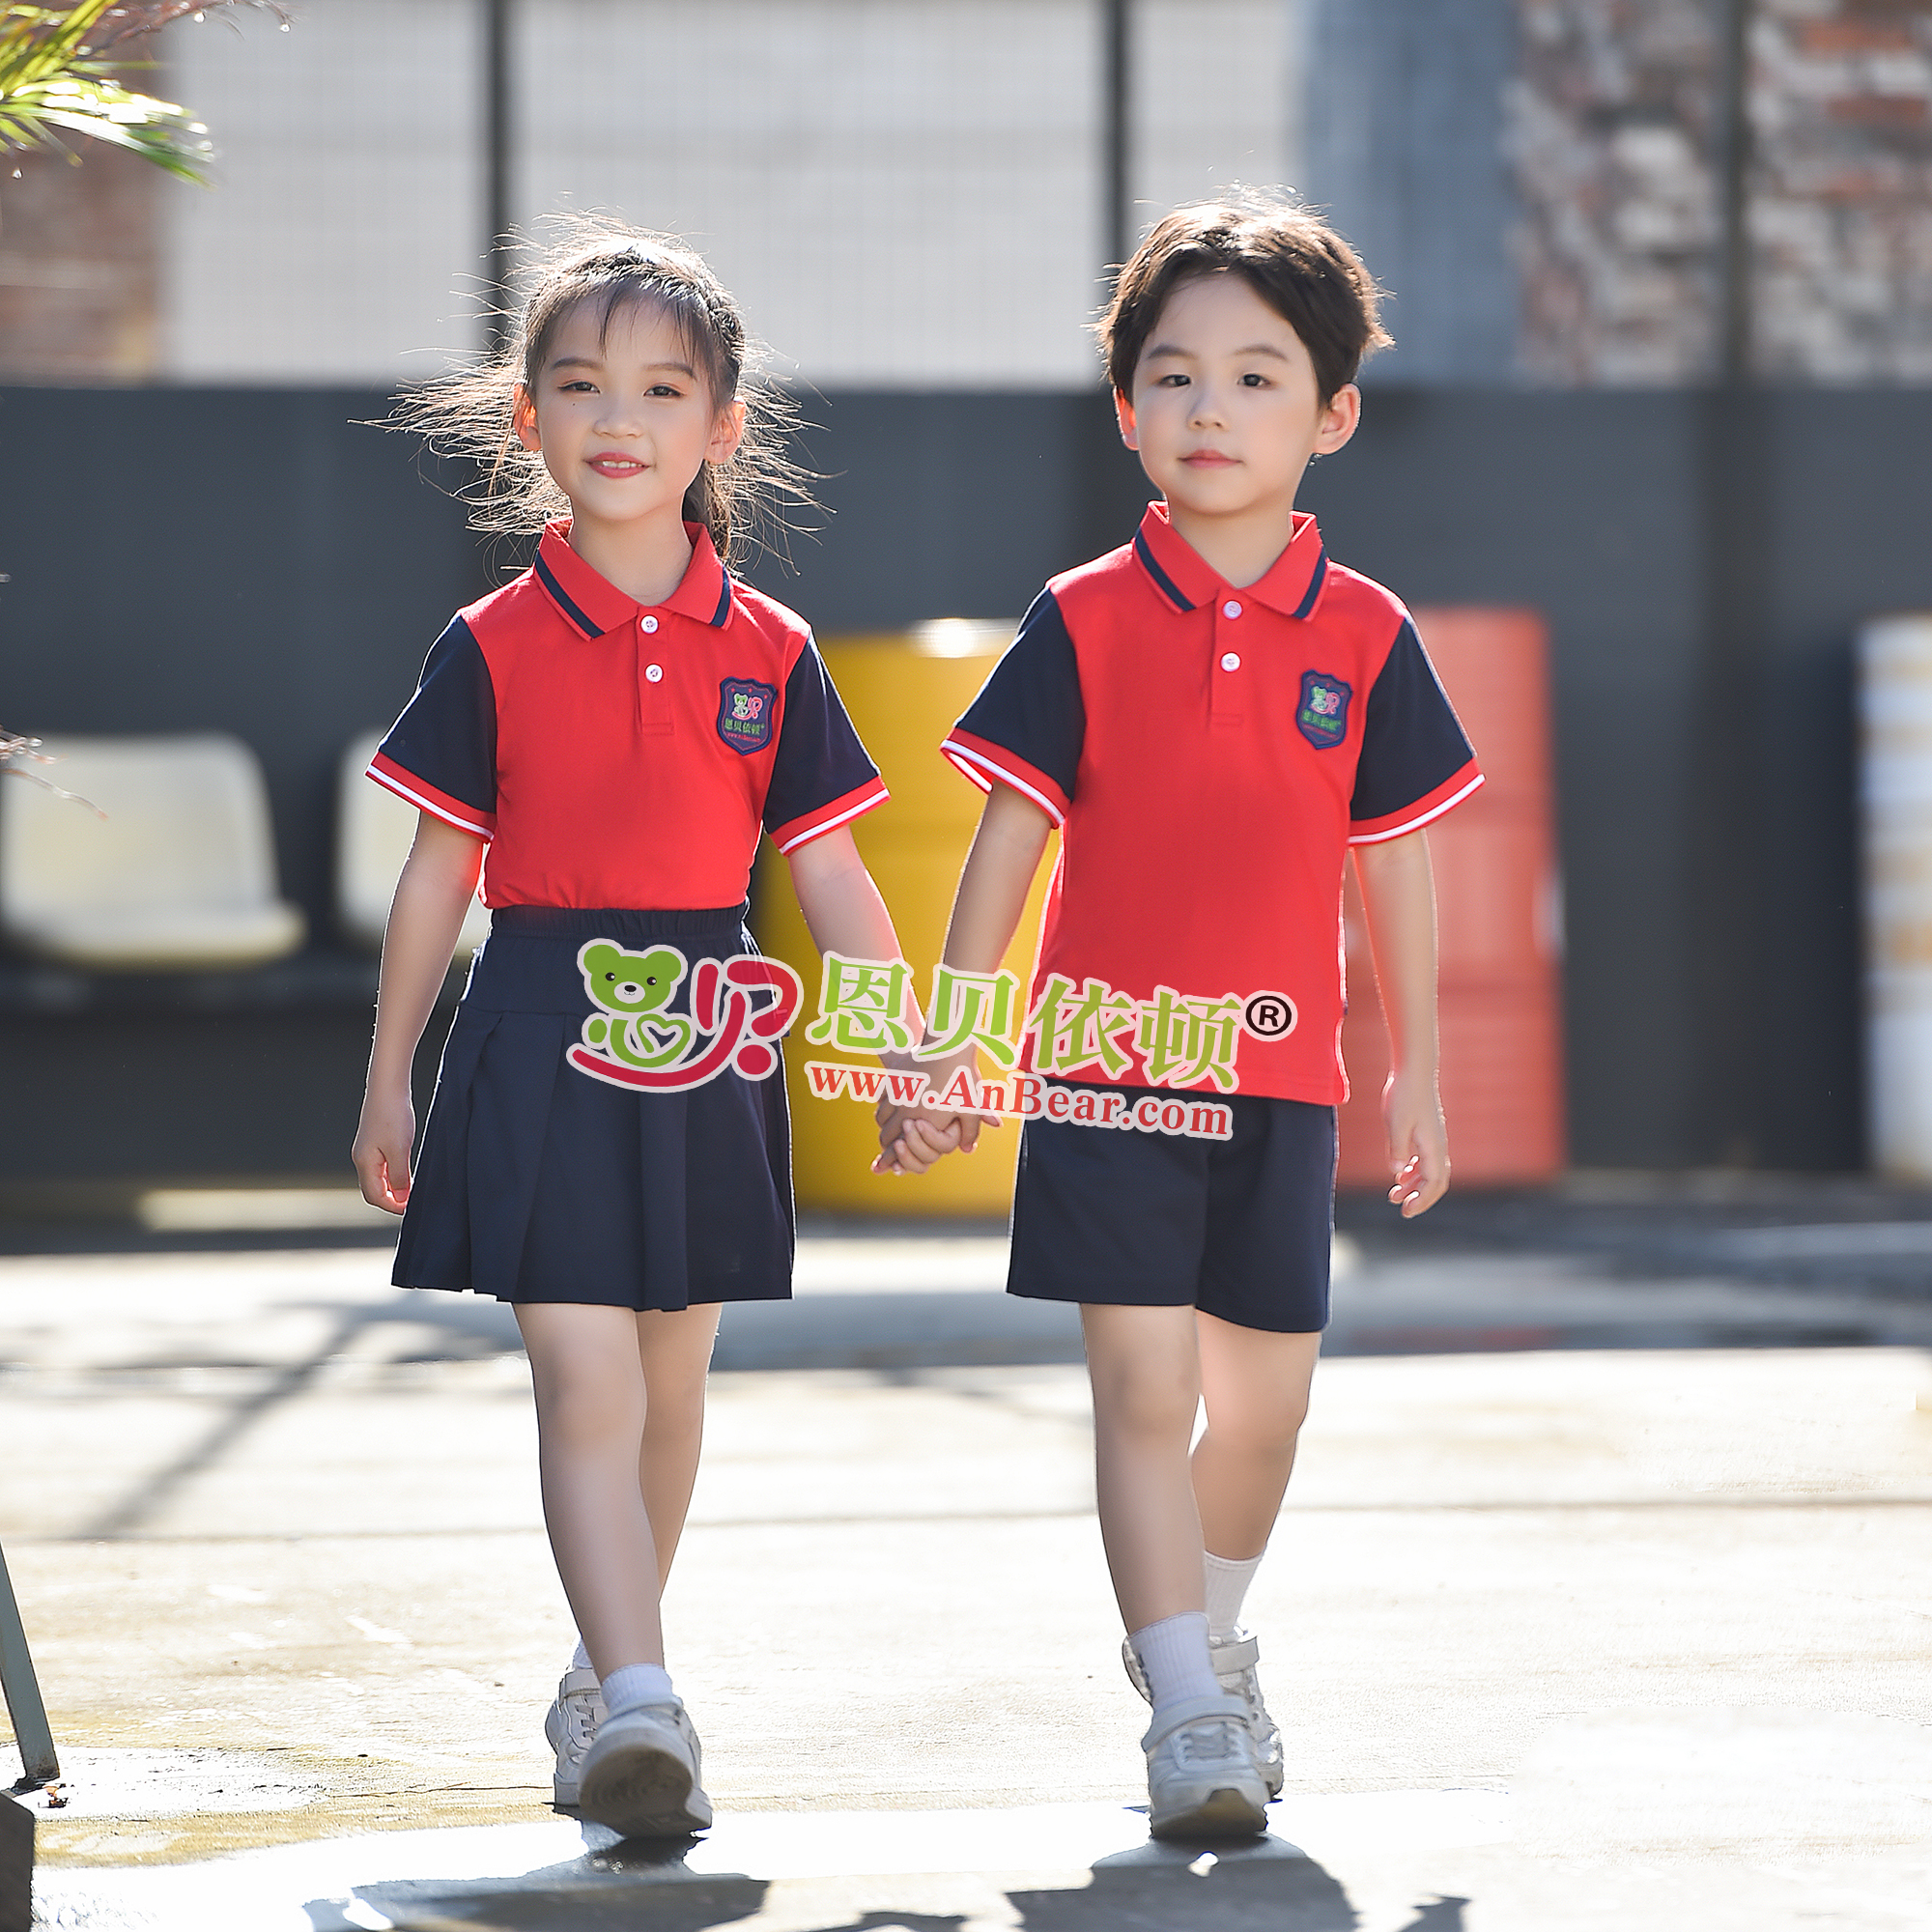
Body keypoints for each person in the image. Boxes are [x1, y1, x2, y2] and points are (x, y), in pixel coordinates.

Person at [879, 194, 1482, 1839]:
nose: (1211, 410)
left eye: (1258, 377)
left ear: (1334, 414)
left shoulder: (1365, 634)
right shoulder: (1079, 616)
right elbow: (1007, 834)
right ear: (1126, 402)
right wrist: (954, 1027)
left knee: (1266, 1409)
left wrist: (1417, 1061)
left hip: (1282, 1082)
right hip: (1107, 1074)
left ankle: (1203, 1637)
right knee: (1140, 1393)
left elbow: (1397, 856)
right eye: (1175, 375)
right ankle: (1192, 1712)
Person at [352, 228, 944, 1839]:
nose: (621, 417)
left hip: (714, 1037)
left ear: (723, 425)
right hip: (543, 1025)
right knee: (586, 1377)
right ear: (525, 418)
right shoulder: (488, 644)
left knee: (673, 1390)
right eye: (580, 384)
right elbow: (435, 879)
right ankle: (645, 1699)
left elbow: (827, 868)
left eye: (663, 388)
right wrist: (391, 1075)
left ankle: (608, 1679)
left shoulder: (776, 650)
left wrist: (905, 1045)